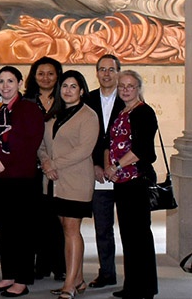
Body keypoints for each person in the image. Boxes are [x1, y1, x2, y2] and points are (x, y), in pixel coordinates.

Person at [0, 66, 45, 298]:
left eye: (10, 81)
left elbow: (30, 142)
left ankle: (23, 279)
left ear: (19, 83)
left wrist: (4, 162)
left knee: (21, 230)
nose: (5, 86)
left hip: (19, 178)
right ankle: (8, 275)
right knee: (3, 230)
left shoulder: (29, 109)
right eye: (1, 81)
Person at [38, 71, 99, 299]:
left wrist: (53, 164)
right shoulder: (53, 115)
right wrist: (46, 163)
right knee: (66, 229)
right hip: (53, 182)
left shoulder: (88, 116)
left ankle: (69, 284)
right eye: (65, 86)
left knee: (72, 230)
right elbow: (41, 145)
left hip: (76, 181)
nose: (68, 90)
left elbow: (84, 150)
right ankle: (79, 279)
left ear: (82, 91)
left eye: (74, 86)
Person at [104, 70, 158, 299]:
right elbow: (108, 141)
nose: (126, 89)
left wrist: (115, 166)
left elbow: (143, 150)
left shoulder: (144, 112)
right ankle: (132, 285)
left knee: (140, 236)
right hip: (121, 182)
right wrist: (108, 165)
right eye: (122, 86)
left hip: (137, 182)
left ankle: (144, 288)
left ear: (139, 89)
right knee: (127, 235)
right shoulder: (120, 111)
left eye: (131, 86)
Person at [85, 55, 124, 289]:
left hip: (125, 175)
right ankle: (107, 273)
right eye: (102, 69)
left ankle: (137, 276)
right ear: (97, 73)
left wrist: (117, 166)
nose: (106, 74)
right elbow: (84, 137)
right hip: (98, 174)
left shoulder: (128, 97)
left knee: (130, 231)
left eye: (111, 69)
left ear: (118, 71)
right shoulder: (87, 99)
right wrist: (95, 164)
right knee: (102, 228)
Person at [25, 56, 66, 281]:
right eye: (41, 73)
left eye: (50, 73)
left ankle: (60, 265)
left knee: (58, 220)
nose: (46, 78)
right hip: (33, 169)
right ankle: (40, 266)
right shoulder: (27, 101)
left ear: (58, 75)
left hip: (61, 169)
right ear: (34, 76)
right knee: (36, 219)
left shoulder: (66, 98)